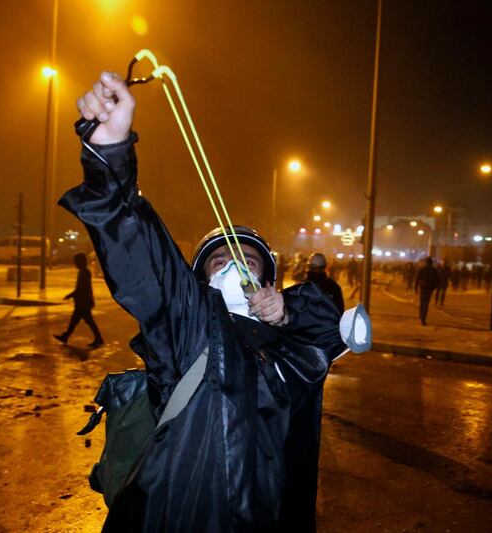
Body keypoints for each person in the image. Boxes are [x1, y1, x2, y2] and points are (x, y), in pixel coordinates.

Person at [60, 71, 345, 532]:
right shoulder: (188, 325)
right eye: (221, 263)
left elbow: (327, 331)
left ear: (268, 279)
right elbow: (142, 256)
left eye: (248, 261)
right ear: (198, 281)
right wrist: (110, 160)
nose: (236, 267)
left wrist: (288, 314)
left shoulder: (287, 350)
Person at [54, 252, 104, 348]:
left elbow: (81, 288)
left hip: (83, 302)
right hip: (82, 302)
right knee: (77, 321)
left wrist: (70, 295)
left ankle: (98, 338)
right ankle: (66, 336)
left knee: (87, 321)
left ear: (80, 262)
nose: (75, 263)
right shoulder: (83, 271)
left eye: (76, 261)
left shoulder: (85, 272)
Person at [415, 257, 439, 325]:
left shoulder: (422, 269)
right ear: (431, 262)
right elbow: (437, 280)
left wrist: (416, 287)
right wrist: (434, 288)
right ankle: (423, 318)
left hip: (423, 287)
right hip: (429, 289)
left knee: (422, 302)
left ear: (426, 262)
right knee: (426, 303)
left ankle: (420, 316)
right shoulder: (434, 270)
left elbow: (417, 278)